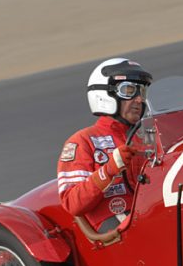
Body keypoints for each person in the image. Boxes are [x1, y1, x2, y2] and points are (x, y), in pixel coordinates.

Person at [57, 57, 152, 232]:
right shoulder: (82, 141)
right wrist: (108, 170)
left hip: (152, 212)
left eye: (142, 92)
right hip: (116, 230)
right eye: (129, 90)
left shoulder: (150, 137)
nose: (139, 100)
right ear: (105, 95)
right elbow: (72, 203)